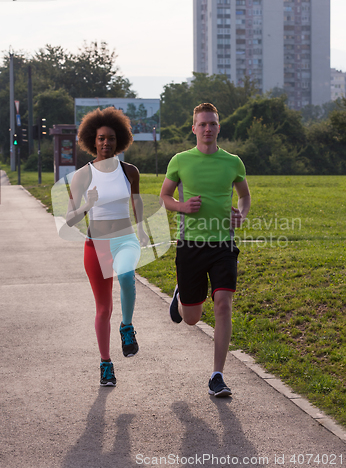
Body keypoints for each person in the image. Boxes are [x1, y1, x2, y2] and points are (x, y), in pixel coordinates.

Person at [160, 103, 251, 397]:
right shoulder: (180, 160)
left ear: (219, 127)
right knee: (192, 318)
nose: (208, 129)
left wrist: (241, 213)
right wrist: (182, 206)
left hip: (223, 244)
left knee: (223, 304)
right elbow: (164, 196)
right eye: (202, 124)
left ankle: (217, 376)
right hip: (190, 246)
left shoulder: (233, 162)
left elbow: (245, 196)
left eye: (212, 124)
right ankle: (180, 294)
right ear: (194, 128)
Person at [66, 107, 148, 387]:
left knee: (126, 276)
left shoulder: (129, 171)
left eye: (111, 138)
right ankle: (106, 364)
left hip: (125, 239)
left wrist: (142, 230)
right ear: (93, 140)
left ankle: (127, 327)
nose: (106, 143)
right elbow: (69, 218)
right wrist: (87, 205)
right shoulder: (82, 176)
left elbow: (136, 203)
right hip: (96, 244)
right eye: (101, 138)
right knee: (103, 309)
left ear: (119, 140)